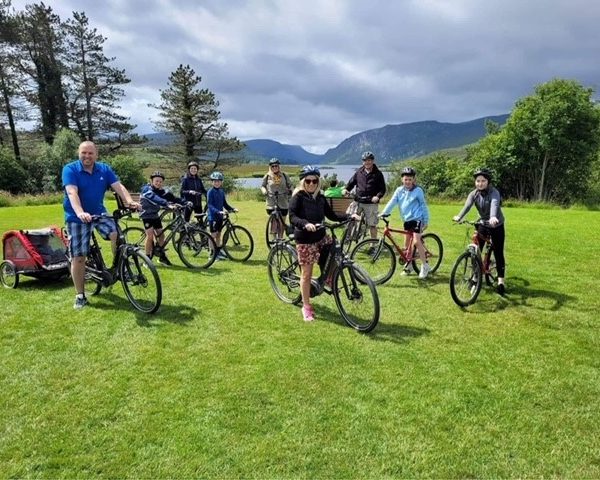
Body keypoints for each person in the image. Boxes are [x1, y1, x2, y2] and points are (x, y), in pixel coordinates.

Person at [62, 140, 140, 309]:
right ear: (79, 153)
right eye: (84, 153)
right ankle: (80, 295)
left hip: (98, 212)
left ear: (96, 155)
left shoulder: (104, 169)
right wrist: (80, 212)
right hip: (77, 217)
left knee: (117, 235)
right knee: (79, 257)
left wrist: (129, 201)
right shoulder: (70, 169)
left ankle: (120, 268)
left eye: (90, 153)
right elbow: (71, 192)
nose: (87, 156)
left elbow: (118, 186)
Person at [289, 165, 360, 322]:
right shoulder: (298, 197)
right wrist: (305, 223)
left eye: (315, 181)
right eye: (308, 181)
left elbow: (332, 215)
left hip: (321, 235)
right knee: (306, 274)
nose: (311, 184)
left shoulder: (320, 197)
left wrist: (349, 216)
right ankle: (306, 306)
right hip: (305, 239)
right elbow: (292, 217)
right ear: (303, 182)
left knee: (335, 253)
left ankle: (327, 279)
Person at [453, 167, 506, 295]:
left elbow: (494, 204)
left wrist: (493, 217)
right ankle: (476, 276)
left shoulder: (494, 192)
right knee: (476, 250)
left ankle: (500, 281)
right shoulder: (474, 193)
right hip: (482, 222)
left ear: (488, 181)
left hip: (496, 224)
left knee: (498, 251)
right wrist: (460, 216)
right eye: (477, 181)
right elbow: (467, 206)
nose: (480, 183)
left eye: (483, 181)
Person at [380, 166, 431, 279]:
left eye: (410, 179)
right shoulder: (399, 190)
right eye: (405, 179)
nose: (407, 181)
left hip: (417, 219)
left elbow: (423, 206)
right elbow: (392, 202)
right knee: (407, 246)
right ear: (402, 179)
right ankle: (410, 266)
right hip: (407, 220)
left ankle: (425, 265)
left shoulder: (418, 191)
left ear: (414, 180)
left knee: (417, 242)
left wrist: (426, 221)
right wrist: (384, 212)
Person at [140, 171, 188, 266]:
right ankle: (147, 258)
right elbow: (154, 198)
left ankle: (161, 256)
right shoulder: (146, 189)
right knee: (150, 236)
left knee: (161, 235)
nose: (158, 183)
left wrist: (185, 202)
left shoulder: (161, 191)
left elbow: (172, 198)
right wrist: (167, 204)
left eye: (160, 182)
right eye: (156, 181)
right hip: (146, 216)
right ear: (152, 181)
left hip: (155, 215)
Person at [342, 151, 386, 239]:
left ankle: (373, 245)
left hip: (371, 203)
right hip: (358, 201)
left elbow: (382, 189)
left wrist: (377, 197)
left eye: (369, 160)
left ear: (373, 161)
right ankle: (348, 238)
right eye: (365, 160)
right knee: (350, 219)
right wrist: (346, 189)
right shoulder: (359, 172)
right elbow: (351, 183)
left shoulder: (378, 174)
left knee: (372, 225)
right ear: (363, 162)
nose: (367, 162)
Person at [206, 171, 237, 260]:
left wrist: (232, 209)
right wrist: (218, 211)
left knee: (219, 234)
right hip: (213, 217)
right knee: (213, 235)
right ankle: (212, 254)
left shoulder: (221, 191)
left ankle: (218, 251)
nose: (217, 183)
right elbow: (210, 205)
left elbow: (224, 204)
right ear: (212, 182)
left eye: (219, 181)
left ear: (221, 182)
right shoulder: (210, 192)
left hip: (220, 217)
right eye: (215, 181)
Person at [260, 157, 293, 238]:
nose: (274, 167)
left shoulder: (285, 175)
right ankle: (274, 238)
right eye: (272, 166)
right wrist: (264, 191)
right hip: (271, 202)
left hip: (283, 202)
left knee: (282, 222)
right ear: (270, 167)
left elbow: (291, 185)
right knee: (274, 220)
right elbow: (262, 186)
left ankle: (281, 237)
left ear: (279, 166)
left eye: (276, 166)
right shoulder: (267, 176)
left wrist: (291, 191)